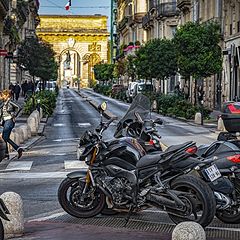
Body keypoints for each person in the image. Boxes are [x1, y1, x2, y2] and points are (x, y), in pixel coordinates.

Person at [0, 90, 23, 159]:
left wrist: (14, 115)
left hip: (9, 121)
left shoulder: (10, 102)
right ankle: (6, 154)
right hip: (5, 122)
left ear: (7, 95)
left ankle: (18, 149)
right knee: (5, 137)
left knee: (5, 138)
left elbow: (19, 107)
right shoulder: (4, 103)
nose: (2, 96)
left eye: (3, 95)